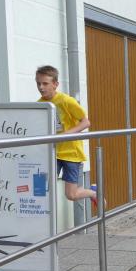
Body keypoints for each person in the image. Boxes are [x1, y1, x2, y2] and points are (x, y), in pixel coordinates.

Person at [35, 65, 101, 208]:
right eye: (38, 83)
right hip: (53, 152)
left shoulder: (66, 101)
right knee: (40, 188)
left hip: (71, 153)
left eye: (45, 83)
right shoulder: (39, 104)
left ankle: (93, 192)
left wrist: (66, 134)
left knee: (71, 195)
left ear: (55, 84)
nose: (41, 87)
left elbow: (86, 122)